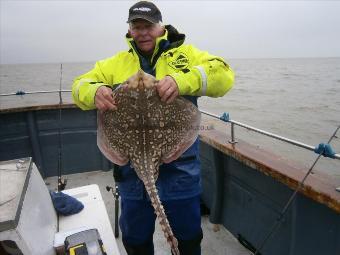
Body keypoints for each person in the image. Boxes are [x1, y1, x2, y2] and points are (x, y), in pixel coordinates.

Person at [72, 1, 234, 254]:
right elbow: (79, 85)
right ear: (129, 30)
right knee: (135, 237)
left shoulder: (186, 55)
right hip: (130, 171)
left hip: (181, 168)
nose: (142, 32)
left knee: (188, 235)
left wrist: (181, 81)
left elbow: (224, 76)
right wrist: (95, 91)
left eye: (148, 26)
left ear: (160, 27)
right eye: (136, 27)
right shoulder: (114, 64)